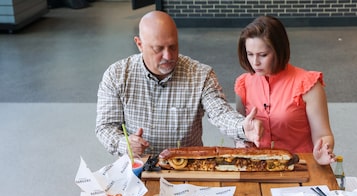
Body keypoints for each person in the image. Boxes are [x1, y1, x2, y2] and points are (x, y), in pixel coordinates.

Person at [96, 11, 262, 157]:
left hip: (187, 169)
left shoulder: (200, 74)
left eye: (173, 46)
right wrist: (125, 144)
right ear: (139, 44)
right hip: (139, 167)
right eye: (158, 49)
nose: (168, 56)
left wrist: (242, 127)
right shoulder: (117, 75)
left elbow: (221, 113)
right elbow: (105, 127)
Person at [235, 15, 335, 165]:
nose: (255, 62)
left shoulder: (308, 84)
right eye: (250, 54)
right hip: (258, 166)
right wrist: (241, 143)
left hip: (299, 165)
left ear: (279, 50)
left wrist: (322, 151)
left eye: (263, 55)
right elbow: (240, 130)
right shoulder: (243, 84)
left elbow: (323, 135)